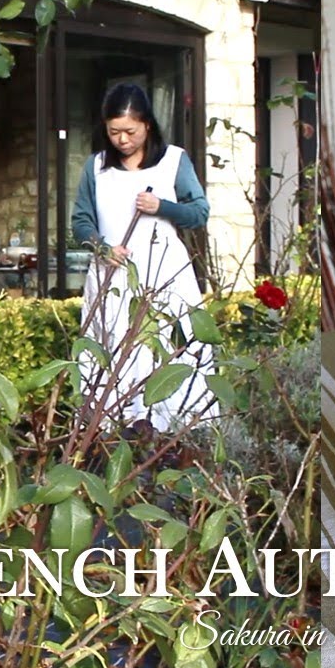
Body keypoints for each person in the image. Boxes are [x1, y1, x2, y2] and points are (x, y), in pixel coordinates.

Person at [72, 83, 215, 431]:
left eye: (130, 131)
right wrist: (102, 248)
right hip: (112, 279)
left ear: (147, 124)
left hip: (164, 276)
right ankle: (105, 434)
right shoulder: (97, 167)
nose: (122, 140)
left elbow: (199, 212)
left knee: (166, 345)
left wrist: (162, 207)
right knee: (110, 350)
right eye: (114, 131)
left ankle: (176, 432)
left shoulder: (173, 161)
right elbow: (80, 220)